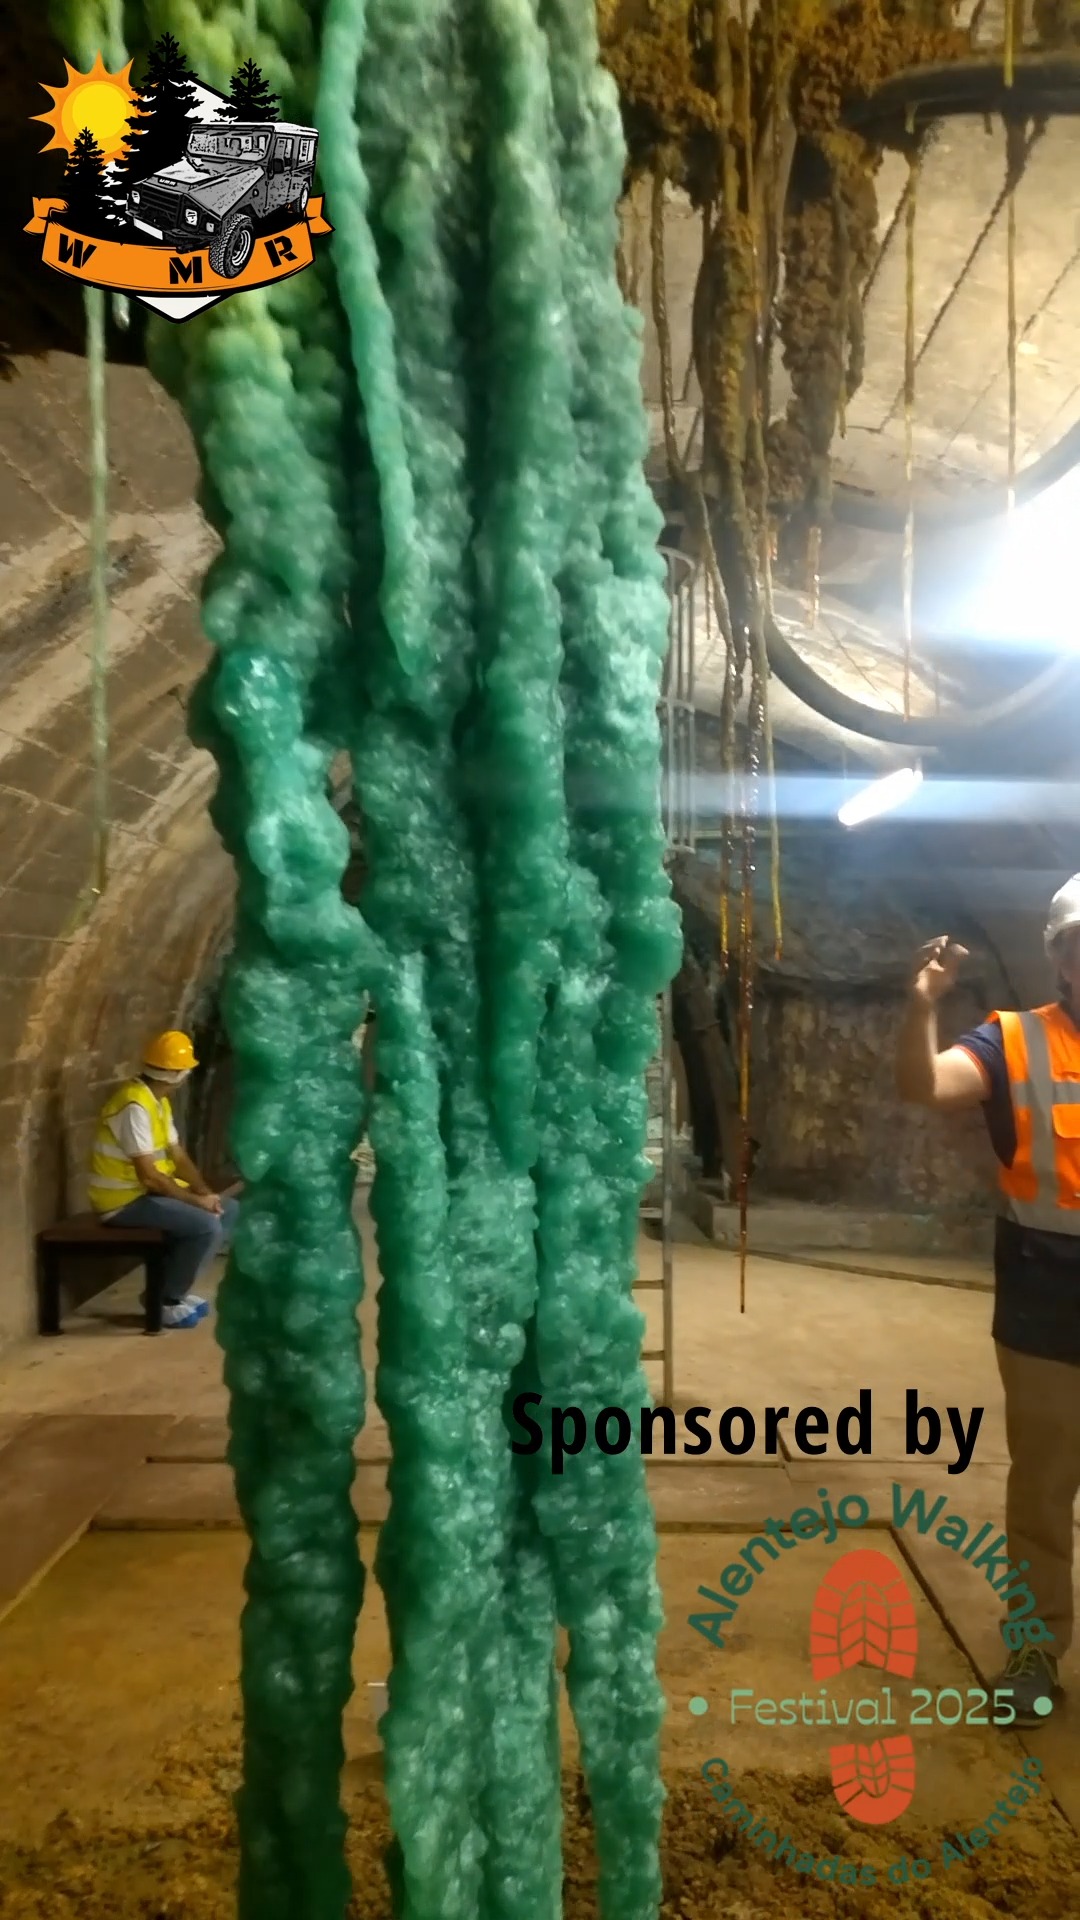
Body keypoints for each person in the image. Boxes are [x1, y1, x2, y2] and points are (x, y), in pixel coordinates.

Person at [896, 875, 1080, 1726]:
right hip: (1046, 1295)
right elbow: (926, 1087)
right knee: (1044, 1486)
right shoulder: (1013, 1040)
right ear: (1060, 959)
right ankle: (1035, 1648)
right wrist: (921, 1006)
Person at [87, 1030, 238, 1329]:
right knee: (206, 1226)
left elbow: (178, 1157)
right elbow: (150, 1176)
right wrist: (196, 1202)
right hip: (123, 1202)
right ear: (178, 1075)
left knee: (228, 1209)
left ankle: (175, 1290)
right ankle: (165, 1300)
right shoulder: (134, 1107)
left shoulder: (156, 1101)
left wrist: (205, 1193)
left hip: (145, 1194)